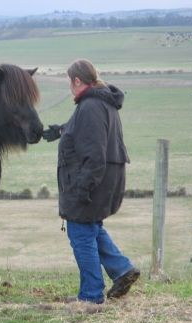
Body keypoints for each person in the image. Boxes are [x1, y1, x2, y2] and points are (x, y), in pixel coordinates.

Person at [43, 59, 140, 304]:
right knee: (91, 227)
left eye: (69, 82)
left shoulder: (91, 106)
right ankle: (122, 269)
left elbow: (95, 154)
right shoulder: (100, 103)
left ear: (77, 81)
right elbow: (87, 133)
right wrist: (62, 130)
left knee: (80, 232)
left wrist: (81, 190)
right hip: (104, 180)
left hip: (92, 182)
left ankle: (91, 296)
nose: (69, 87)